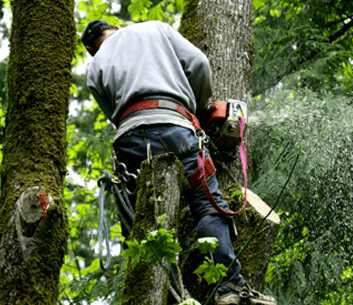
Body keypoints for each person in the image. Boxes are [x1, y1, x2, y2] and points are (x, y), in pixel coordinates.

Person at [81, 19, 277, 305]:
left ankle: (167, 297)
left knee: (149, 217)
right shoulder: (154, 28)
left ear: (91, 47)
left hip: (128, 140)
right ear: (117, 28)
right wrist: (196, 109)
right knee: (207, 203)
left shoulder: (94, 66)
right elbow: (199, 64)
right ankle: (230, 289)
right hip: (175, 124)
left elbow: (113, 113)